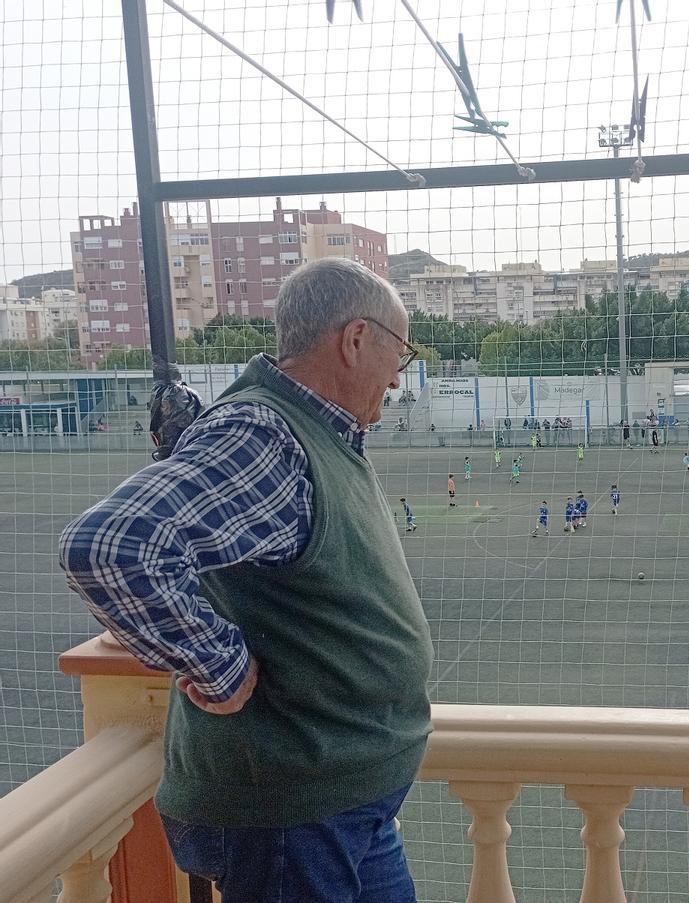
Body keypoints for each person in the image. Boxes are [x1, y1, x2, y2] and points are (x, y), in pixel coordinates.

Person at [59, 258, 432, 902]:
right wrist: (220, 669)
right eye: (399, 352)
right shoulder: (267, 433)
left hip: (336, 805)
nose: (398, 379)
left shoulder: (313, 431)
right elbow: (110, 547)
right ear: (355, 340)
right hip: (289, 819)